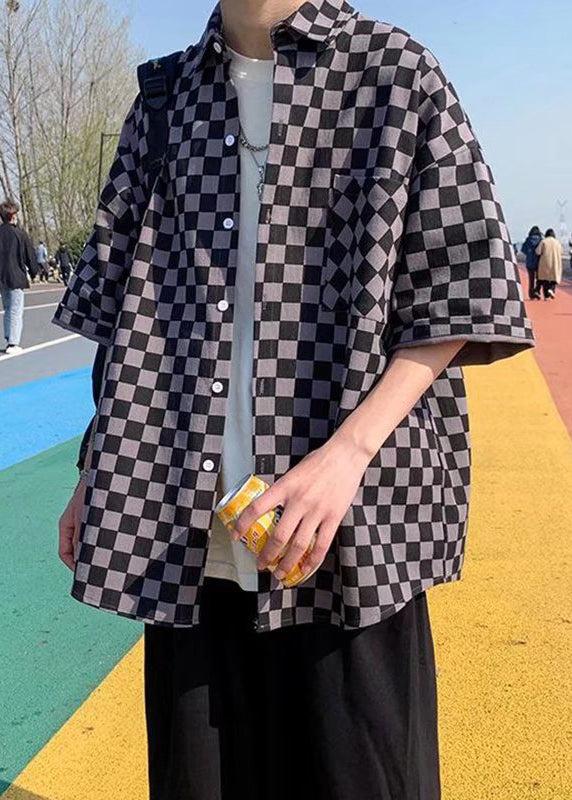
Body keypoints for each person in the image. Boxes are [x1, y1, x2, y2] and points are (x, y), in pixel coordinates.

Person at [52, 1, 535, 797]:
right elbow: (124, 315)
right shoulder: (164, 97)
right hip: (190, 537)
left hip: (349, 537)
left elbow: (460, 290)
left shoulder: (395, 74)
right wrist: (93, 463)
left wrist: (346, 457)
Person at [0, 199, 38, 355]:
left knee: (8, 308)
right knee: (16, 309)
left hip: (2, 277)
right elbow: (30, 255)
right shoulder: (20, 234)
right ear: (13, 215)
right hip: (16, 276)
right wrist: (34, 272)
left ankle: (9, 336)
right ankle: (13, 342)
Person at [536, 228, 563, 300]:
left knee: (545, 279)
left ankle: (546, 296)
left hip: (545, 262)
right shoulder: (557, 242)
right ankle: (551, 290)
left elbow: (538, 252)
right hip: (555, 263)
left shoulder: (544, 241)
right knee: (554, 278)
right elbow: (561, 251)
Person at [520, 225, 543, 300]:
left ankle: (531, 294)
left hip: (529, 262)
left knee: (531, 279)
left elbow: (523, 250)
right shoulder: (540, 240)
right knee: (539, 278)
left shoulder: (528, 240)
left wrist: (529, 253)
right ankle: (537, 291)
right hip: (538, 263)